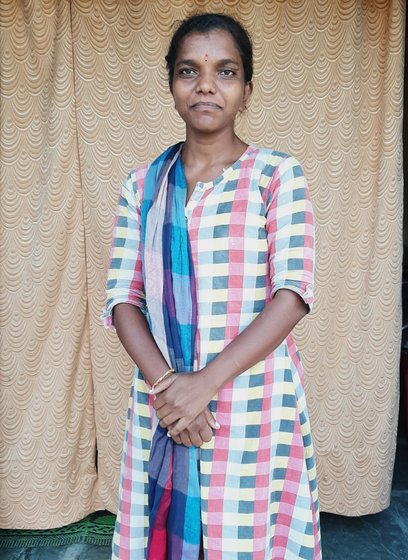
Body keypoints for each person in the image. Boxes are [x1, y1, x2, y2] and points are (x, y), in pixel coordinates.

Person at [102, 12, 321, 560]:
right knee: (166, 530)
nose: (205, 84)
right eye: (188, 70)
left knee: (246, 539)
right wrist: (173, 387)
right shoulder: (142, 187)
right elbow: (124, 299)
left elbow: (292, 294)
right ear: (172, 86)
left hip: (251, 401)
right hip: (164, 398)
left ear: (246, 90)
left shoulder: (276, 175)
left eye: (225, 72)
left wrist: (205, 384)